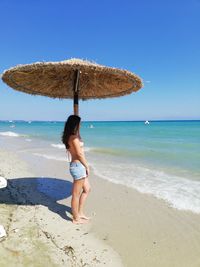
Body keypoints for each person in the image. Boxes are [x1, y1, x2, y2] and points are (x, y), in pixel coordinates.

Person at [62, 115, 91, 224]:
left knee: (87, 189)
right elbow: (79, 153)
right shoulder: (73, 137)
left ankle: (80, 213)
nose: (81, 124)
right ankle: (76, 218)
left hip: (79, 166)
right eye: (79, 123)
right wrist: (87, 166)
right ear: (75, 124)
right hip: (78, 166)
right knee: (76, 194)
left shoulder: (74, 136)